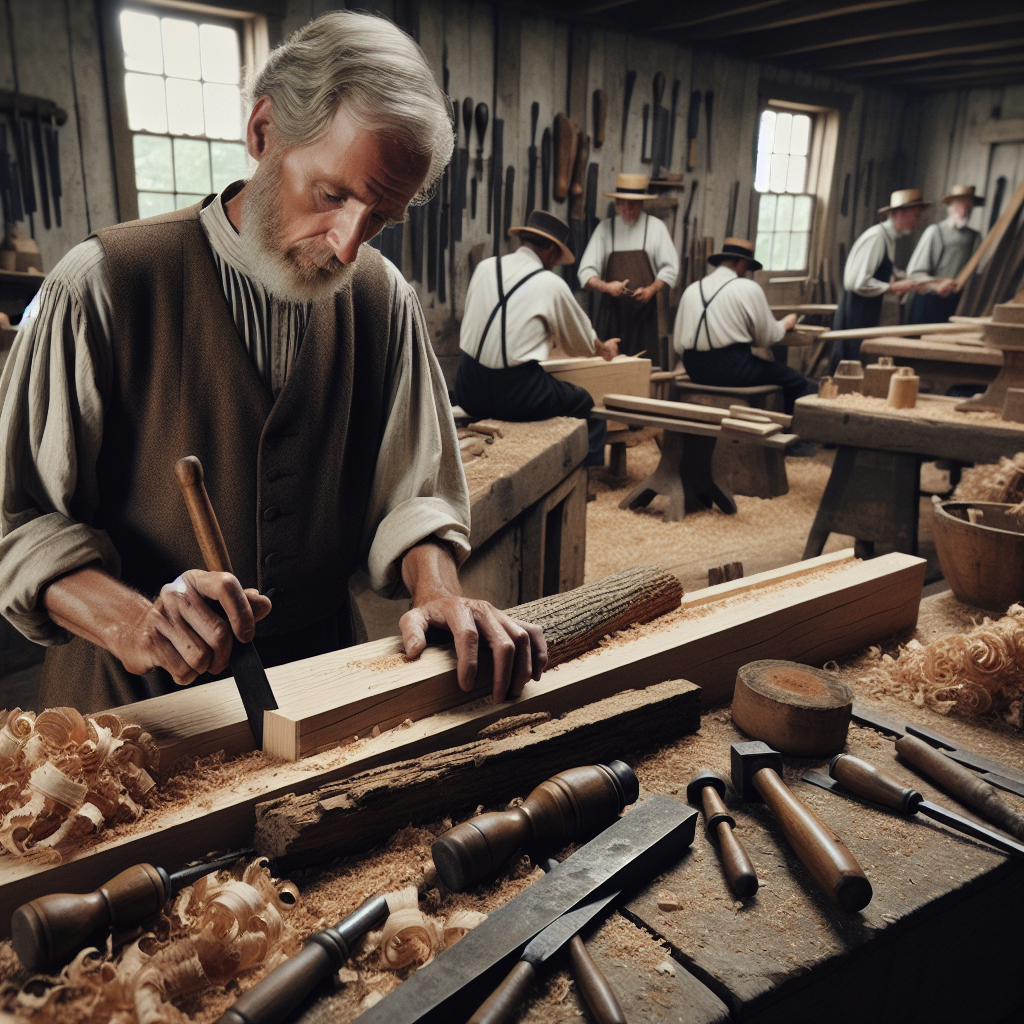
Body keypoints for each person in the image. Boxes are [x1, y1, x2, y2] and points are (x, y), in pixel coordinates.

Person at [0, 12, 546, 713]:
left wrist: (439, 592)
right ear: (263, 134)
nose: (349, 246)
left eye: (380, 217)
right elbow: (18, 522)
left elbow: (417, 493)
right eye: (332, 195)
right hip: (131, 707)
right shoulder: (102, 283)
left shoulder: (382, 298)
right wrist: (136, 621)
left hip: (320, 687)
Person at [455, 211, 618, 473]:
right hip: (514, 394)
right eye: (556, 259)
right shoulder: (549, 283)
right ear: (552, 251)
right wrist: (605, 350)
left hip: (467, 387)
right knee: (587, 403)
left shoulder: (486, 268)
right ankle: (587, 477)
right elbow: (580, 341)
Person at [674, 237, 817, 442]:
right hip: (731, 368)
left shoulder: (692, 289)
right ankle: (793, 443)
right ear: (742, 263)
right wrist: (783, 325)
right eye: (747, 268)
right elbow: (765, 338)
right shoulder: (746, 287)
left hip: (694, 367)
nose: (747, 272)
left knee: (772, 371)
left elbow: (678, 344)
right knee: (794, 380)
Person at [578, 173, 678, 357]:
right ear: (616, 204)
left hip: (645, 318)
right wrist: (607, 287)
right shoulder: (605, 229)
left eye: (633, 203)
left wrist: (651, 289)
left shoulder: (655, 228)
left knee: (644, 370)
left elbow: (670, 269)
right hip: (612, 317)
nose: (628, 208)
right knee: (611, 373)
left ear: (641, 203)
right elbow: (585, 273)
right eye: (623, 203)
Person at [830, 188, 930, 369]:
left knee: (860, 363)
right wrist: (891, 288)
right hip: (856, 313)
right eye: (916, 215)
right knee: (848, 365)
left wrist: (915, 282)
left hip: (867, 312)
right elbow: (857, 282)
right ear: (900, 213)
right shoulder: (876, 237)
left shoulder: (888, 238)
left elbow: (888, 270)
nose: (918, 221)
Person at [906, 184, 983, 324]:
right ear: (950, 207)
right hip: (929, 302)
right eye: (960, 206)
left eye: (968, 206)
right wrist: (936, 285)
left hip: (955, 304)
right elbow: (914, 274)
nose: (964, 210)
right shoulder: (935, 232)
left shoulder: (975, 237)